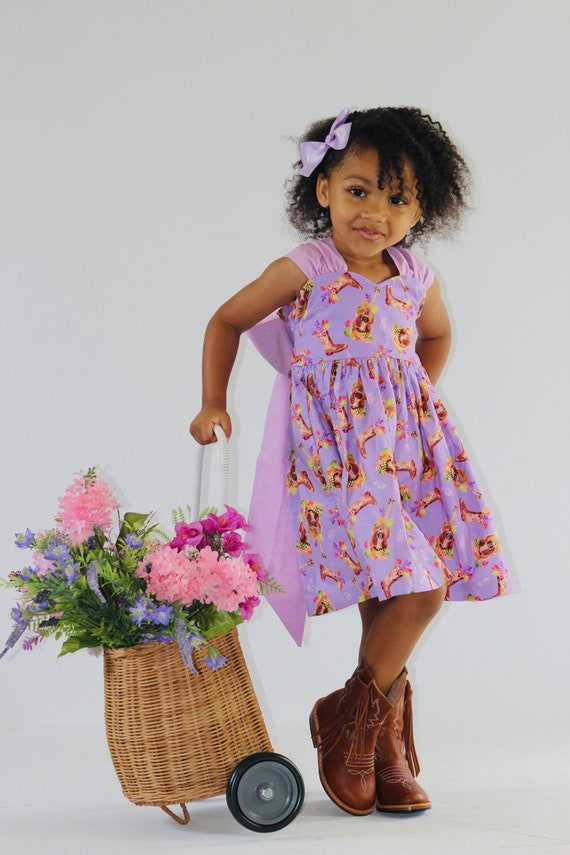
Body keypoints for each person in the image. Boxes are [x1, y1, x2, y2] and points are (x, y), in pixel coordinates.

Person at [190, 106, 510, 817]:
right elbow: (227, 319)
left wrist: (412, 397)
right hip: (336, 461)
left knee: (392, 590)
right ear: (324, 189)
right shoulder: (308, 266)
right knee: (420, 589)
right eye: (360, 190)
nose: (376, 212)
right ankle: (356, 723)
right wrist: (213, 400)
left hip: (404, 459)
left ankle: (372, 733)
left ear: (422, 209)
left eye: (398, 198)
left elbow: (435, 336)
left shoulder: (416, 276)